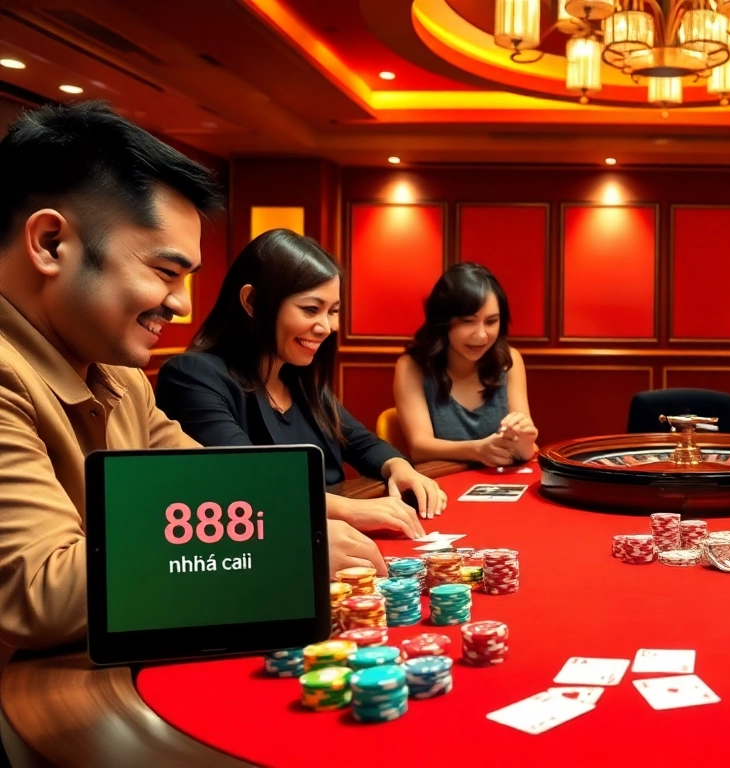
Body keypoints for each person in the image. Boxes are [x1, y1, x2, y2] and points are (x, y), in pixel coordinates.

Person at [0, 103, 382, 654]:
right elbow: (41, 592)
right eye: (164, 273)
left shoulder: (120, 377)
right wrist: (284, 548)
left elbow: (219, 488)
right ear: (51, 244)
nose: (180, 304)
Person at [156, 229, 447, 540]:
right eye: (311, 309)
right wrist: (351, 510)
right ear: (252, 302)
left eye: (333, 311)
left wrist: (399, 468)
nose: (326, 327)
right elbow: (245, 481)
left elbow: (363, 443)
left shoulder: (297, 378)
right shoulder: (192, 376)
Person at [393, 263, 537, 466]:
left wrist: (525, 441)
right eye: (468, 321)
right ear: (443, 322)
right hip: (440, 485)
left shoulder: (509, 361)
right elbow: (420, 448)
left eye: (491, 322)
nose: (481, 335)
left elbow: (523, 449)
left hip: (499, 485)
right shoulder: (412, 366)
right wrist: (477, 450)